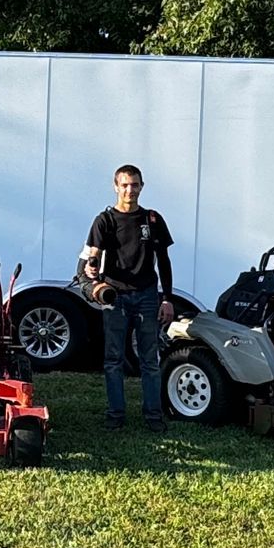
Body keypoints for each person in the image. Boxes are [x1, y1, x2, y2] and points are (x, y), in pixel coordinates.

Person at [82, 164, 176, 430]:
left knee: (149, 359)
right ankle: (115, 416)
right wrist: (92, 268)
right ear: (116, 187)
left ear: (141, 187)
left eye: (134, 185)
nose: (129, 190)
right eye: (124, 185)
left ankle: (153, 416)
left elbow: (164, 261)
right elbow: (94, 254)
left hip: (147, 295)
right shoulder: (105, 220)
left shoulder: (152, 219)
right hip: (115, 297)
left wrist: (166, 298)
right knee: (113, 360)